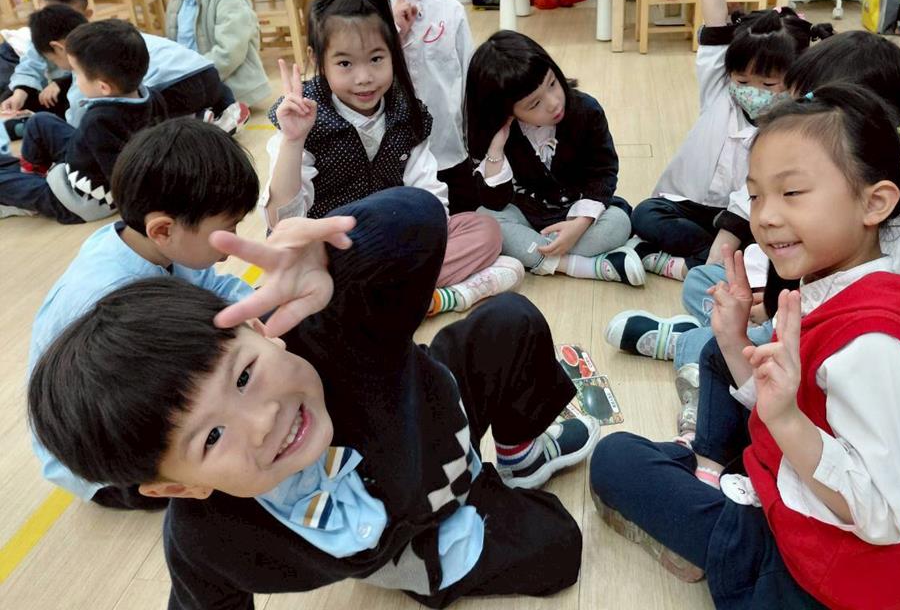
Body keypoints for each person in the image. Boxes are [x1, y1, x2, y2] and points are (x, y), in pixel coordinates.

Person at [29, 186, 600, 608]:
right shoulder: (209, 536)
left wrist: (335, 261)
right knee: (558, 549)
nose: (264, 420)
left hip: (435, 410)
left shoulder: (327, 337)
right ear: (180, 487)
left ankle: (520, 456)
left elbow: (417, 221)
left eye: (244, 377)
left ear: (260, 331)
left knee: (509, 321)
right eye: (212, 436)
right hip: (414, 532)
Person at [589, 84, 900, 610]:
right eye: (755, 195)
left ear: (875, 202)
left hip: (826, 571)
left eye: (791, 192)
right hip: (801, 503)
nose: (765, 216)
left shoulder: (875, 347)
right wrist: (732, 341)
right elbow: (787, 401)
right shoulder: (840, 286)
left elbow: (881, 514)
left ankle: (715, 505)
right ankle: (713, 475)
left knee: (615, 459)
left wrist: (788, 421)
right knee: (692, 383)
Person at [607, 31, 900, 436]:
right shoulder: (828, 181)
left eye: (808, 106)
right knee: (704, 281)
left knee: (723, 350)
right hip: (789, 308)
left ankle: (690, 346)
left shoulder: (879, 310)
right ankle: (710, 336)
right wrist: (765, 301)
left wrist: (763, 319)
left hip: (802, 346)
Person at [27, 117, 258, 507]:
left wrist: (260, 307)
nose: (234, 242)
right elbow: (134, 407)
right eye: (228, 229)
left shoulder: (151, 243)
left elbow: (214, 288)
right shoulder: (111, 299)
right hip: (102, 454)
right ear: (163, 230)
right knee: (235, 471)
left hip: (135, 390)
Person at [262, 0, 520, 317]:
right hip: (326, 253)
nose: (364, 77)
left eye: (376, 59)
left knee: (483, 230)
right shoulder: (303, 114)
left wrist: (419, 239)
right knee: (290, 263)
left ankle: (377, 301)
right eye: (345, 63)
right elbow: (282, 222)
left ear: (393, 53)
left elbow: (430, 197)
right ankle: (421, 296)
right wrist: (293, 141)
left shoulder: (406, 112)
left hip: (388, 246)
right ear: (318, 60)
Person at [630, 0, 832, 281]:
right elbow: (715, 20)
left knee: (769, 241)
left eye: (767, 84)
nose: (752, 91)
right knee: (645, 214)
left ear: (797, 82)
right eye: (742, 80)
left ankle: (693, 264)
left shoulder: (794, 125)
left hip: (750, 217)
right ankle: (710, 262)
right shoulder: (718, 90)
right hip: (694, 205)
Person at [466, 30, 643, 286]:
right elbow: (495, 202)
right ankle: (582, 266)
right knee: (486, 219)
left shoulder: (586, 110)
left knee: (618, 222)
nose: (553, 103)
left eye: (552, 83)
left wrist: (579, 225)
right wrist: (496, 149)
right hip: (528, 213)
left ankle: (536, 254)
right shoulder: (494, 134)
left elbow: (603, 173)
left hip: (578, 212)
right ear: (505, 111)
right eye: (534, 104)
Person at [360, 0, 477, 213]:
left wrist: (474, 142)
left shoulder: (450, 10)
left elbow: (469, 80)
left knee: (466, 218)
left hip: (448, 150)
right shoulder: (363, 11)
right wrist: (394, 29)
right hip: (388, 157)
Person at [0, 18, 161, 222]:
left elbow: (120, 177)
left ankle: (27, 194)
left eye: (76, 74)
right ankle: (31, 174)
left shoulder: (98, 122)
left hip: (79, 200)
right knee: (41, 121)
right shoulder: (150, 95)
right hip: (84, 162)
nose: (73, 78)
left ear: (103, 87)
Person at [12, 4, 232, 133]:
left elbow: (79, 116)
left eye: (52, 60)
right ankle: (222, 108)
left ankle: (193, 121)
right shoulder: (109, 34)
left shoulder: (85, 58)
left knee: (131, 112)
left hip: (177, 89)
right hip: (208, 73)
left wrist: (69, 131)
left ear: (58, 48)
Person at [0, 0, 91, 124]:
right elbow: (30, 64)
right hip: (50, 93)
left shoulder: (93, 38)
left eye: (66, 17)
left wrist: (61, 83)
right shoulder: (43, 33)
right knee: (12, 96)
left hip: (76, 93)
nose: (55, 25)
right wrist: (20, 92)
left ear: (86, 15)